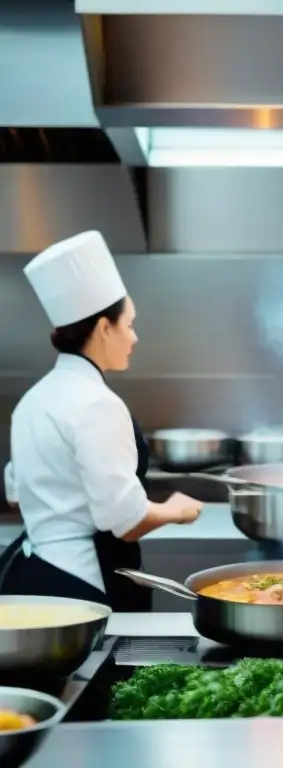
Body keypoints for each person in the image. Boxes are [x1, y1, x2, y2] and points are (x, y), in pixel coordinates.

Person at [0, 231, 204, 612]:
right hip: (85, 583)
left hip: (34, 571)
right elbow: (125, 521)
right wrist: (177, 510)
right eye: (128, 324)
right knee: (101, 672)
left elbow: (16, 491)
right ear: (103, 327)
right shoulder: (97, 404)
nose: (134, 337)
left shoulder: (34, 399)